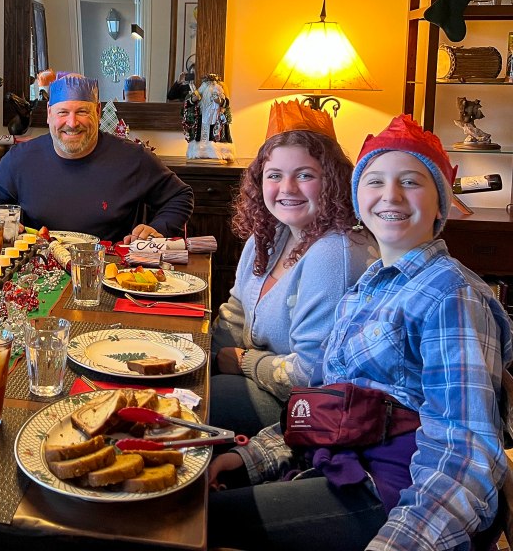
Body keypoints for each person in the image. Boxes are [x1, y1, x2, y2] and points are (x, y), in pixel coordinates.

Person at [207, 114, 513, 551]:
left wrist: (397, 543)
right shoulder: (370, 286)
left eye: (410, 182)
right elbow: (335, 403)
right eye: (375, 182)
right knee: (194, 486)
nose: (390, 196)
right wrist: (252, 456)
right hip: (343, 460)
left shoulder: (451, 295)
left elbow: (464, 456)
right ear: (357, 195)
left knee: (194, 520)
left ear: (440, 203)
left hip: (395, 492)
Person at [209, 100, 378, 436]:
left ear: (333, 181)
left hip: (312, 409)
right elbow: (236, 310)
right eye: (275, 175)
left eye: (304, 175)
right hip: (264, 381)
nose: (287, 188)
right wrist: (202, 356)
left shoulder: (335, 252)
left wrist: (243, 362)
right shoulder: (271, 233)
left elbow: (312, 373)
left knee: (202, 399)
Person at [0, 72, 193, 243]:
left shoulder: (133, 158)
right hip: (39, 268)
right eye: (63, 112)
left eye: (82, 112)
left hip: (110, 270)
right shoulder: (22, 158)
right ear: (49, 113)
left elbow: (181, 195)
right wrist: (0, 222)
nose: (72, 123)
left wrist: (158, 228)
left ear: (97, 112)